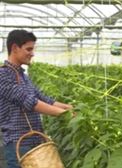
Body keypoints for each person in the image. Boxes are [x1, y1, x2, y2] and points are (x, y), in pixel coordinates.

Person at [0, 29, 73, 168]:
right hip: (18, 145)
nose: (32, 53)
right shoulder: (3, 75)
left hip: (35, 142)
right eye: (28, 49)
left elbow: (44, 99)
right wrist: (65, 114)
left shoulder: (23, 76)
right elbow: (30, 102)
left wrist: (69, 107)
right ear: (15, 48)